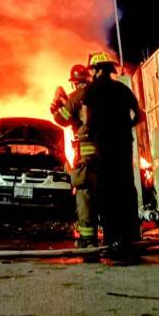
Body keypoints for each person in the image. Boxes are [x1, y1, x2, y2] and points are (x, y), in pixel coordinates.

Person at [79, 51, 143, 257]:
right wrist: (125, 127)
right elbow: (139, 115)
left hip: (103, 148)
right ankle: (132, 237)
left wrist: (88, 132)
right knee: (126, 189)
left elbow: (87, 121)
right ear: (111, 70)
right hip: (123, 146)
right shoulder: (122, 89)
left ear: (97, 70)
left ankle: (111, 239)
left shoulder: (91, 90)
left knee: (106, 192)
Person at [50, 64, 96, 247]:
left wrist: (55, 107)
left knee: (84, 194)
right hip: (108, 152)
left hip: (86, 155)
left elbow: (63, 118)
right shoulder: (100, 92)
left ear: (74, 82)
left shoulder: (76, 96)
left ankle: (87, 238)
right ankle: (113, 235)